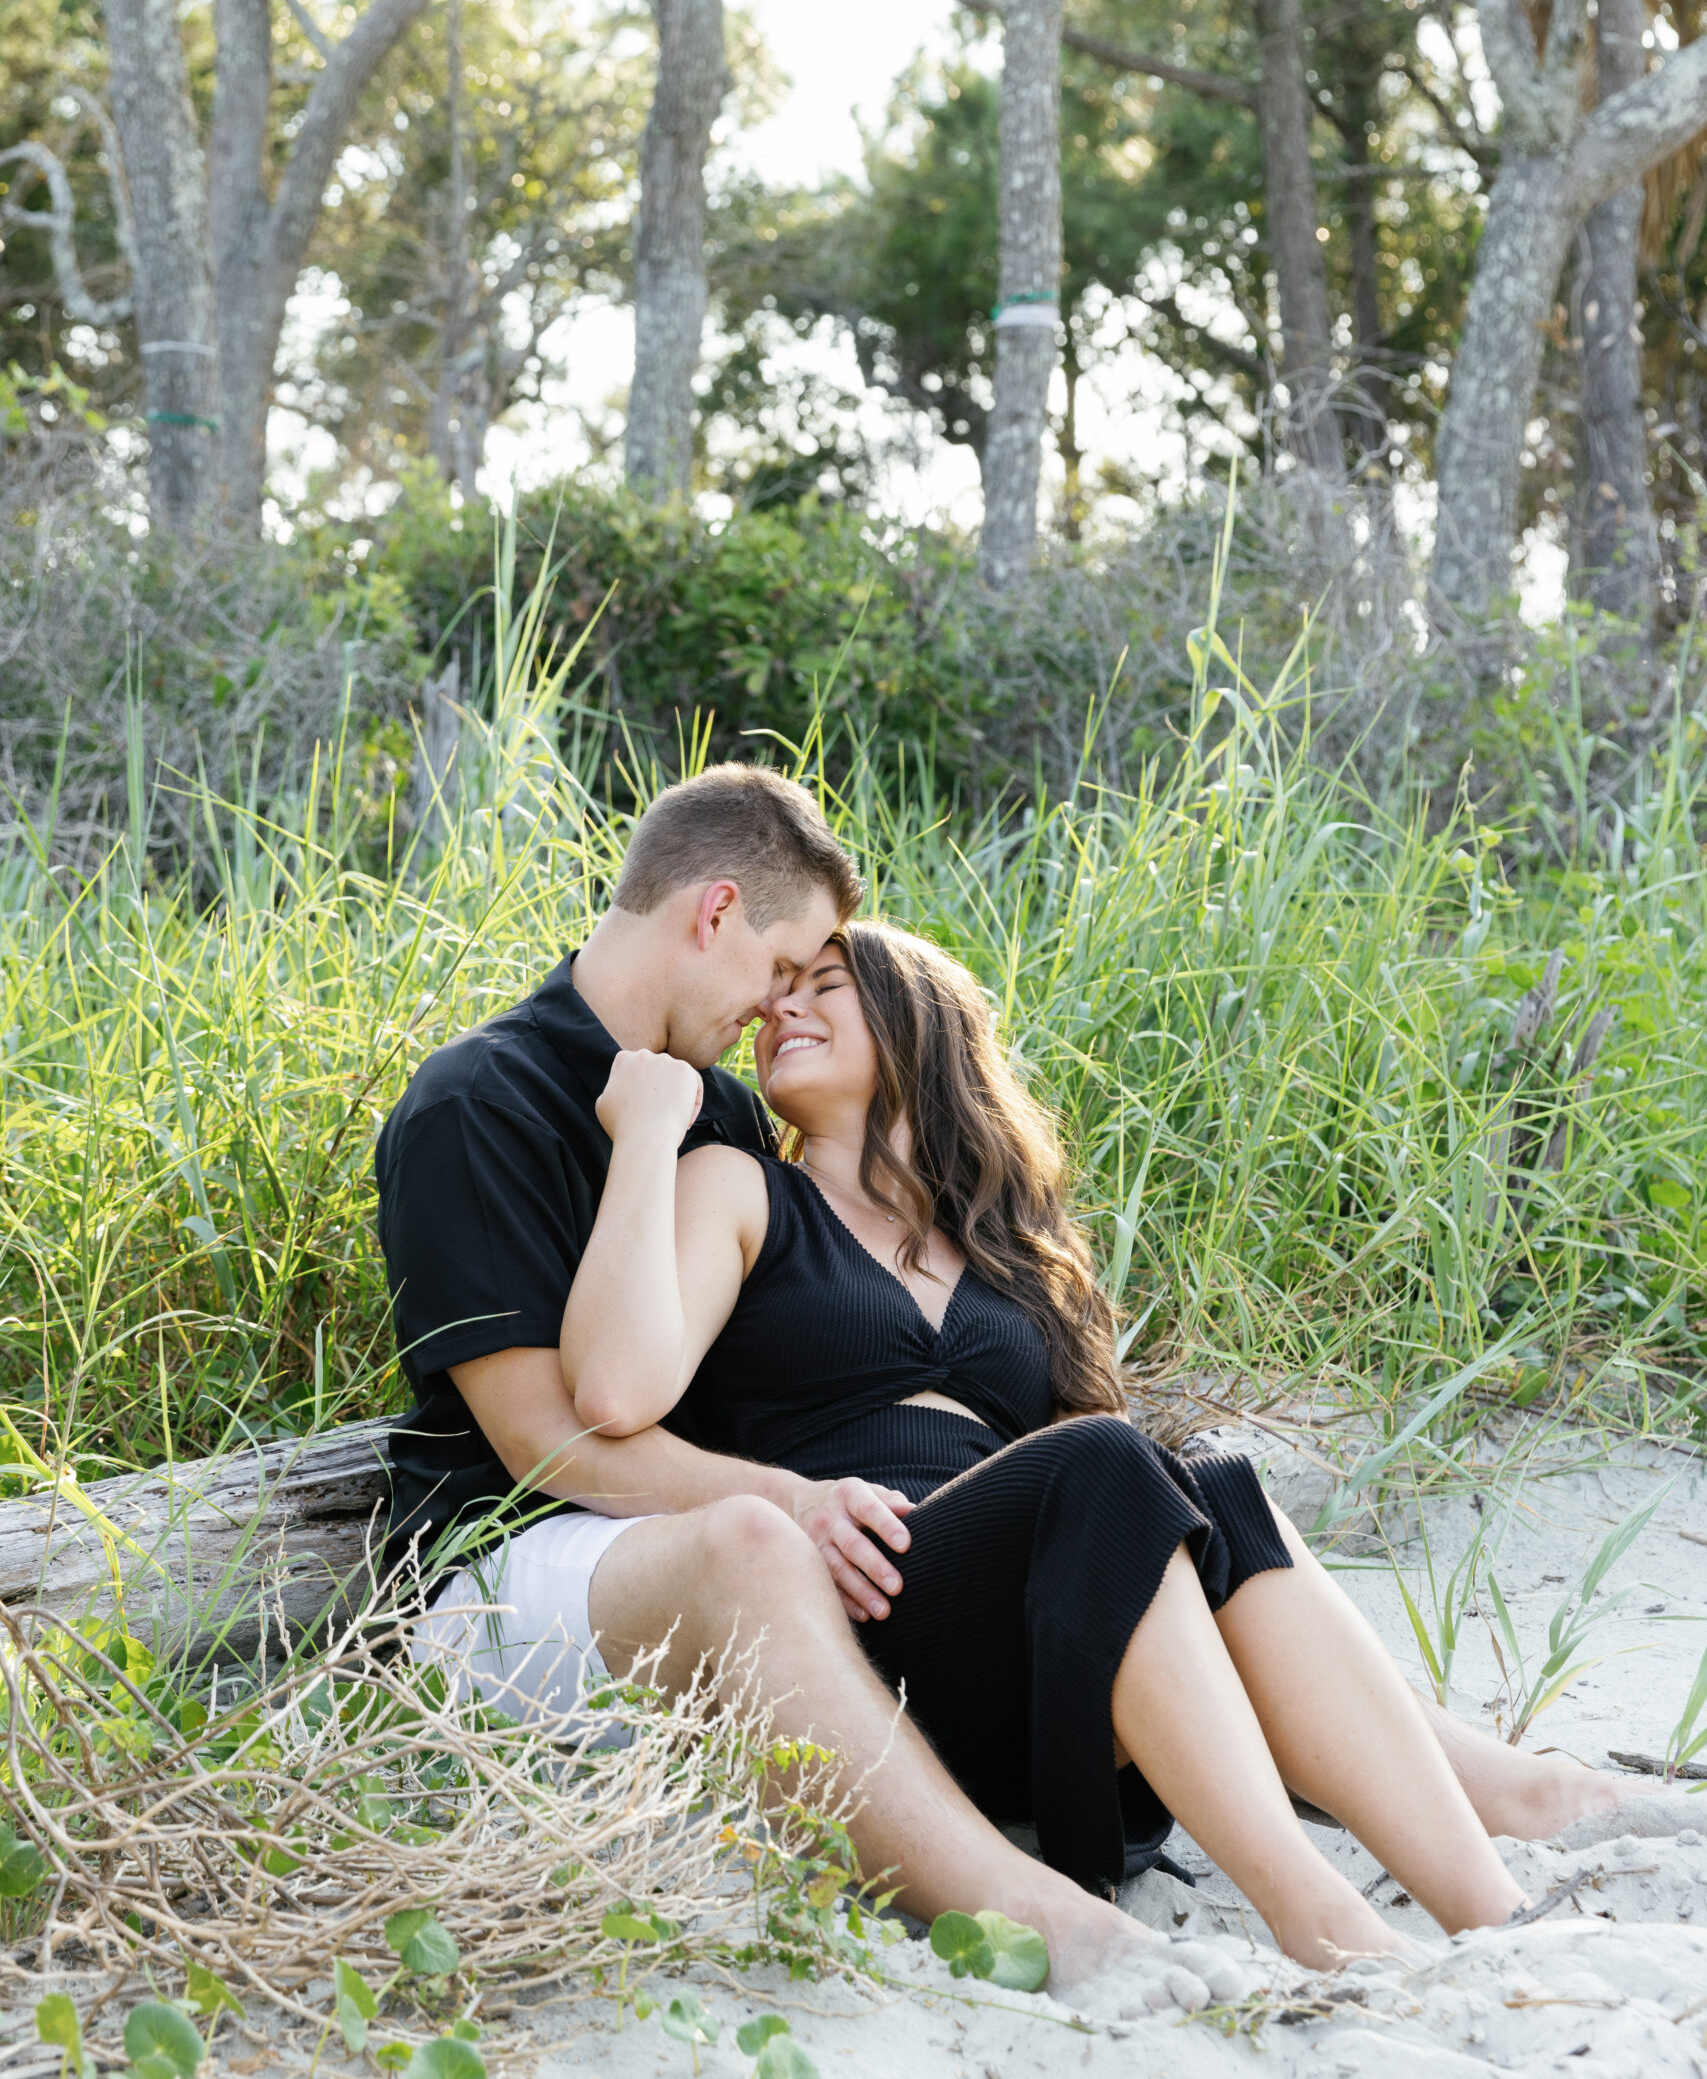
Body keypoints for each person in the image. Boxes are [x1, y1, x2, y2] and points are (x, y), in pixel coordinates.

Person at [559, 918, 1643, 1972]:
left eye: (823, 983)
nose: (780, 1003)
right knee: (1111, 1458)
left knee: (1216, 1488)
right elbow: (614, 1388)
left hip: (1036, 1670)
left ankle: (1493, 1910)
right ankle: (1326, 1920)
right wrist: (652, 1135)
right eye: (775, 992)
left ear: (912, 1022)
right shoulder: (747, 1191)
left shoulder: (1003, 1250)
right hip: (865, 1627)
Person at [375, 764, 1192, 1998]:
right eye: (781, 964)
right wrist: (803, 1497)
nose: (776, 1009)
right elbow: (550, 1447)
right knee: (757, 1538)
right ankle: (1047, 1923)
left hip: (702, 1560)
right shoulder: (478, 1103)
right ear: (714, 913)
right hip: (501, 1570)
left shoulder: (729, 1119)